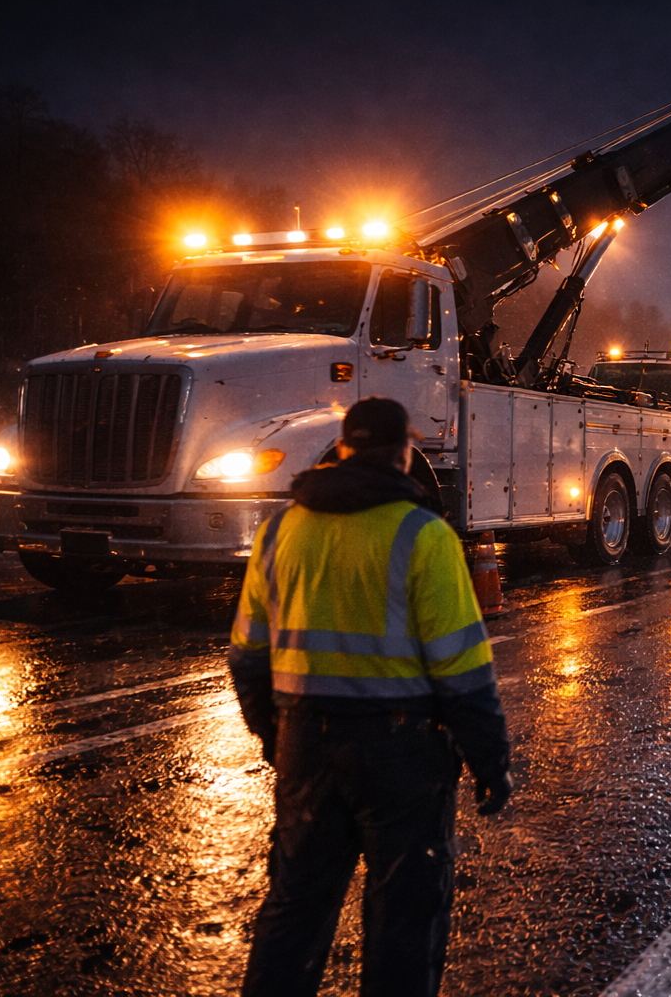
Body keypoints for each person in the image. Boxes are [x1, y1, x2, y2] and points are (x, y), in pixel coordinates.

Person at [229, 396, 513, 997]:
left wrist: (277, 736)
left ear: (344, 448)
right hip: (400, 753)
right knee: (404, 917)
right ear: (404, 453)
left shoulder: (282, 529)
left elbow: (248, 656)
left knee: (295, 908)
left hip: (305, 741)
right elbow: (462, 671)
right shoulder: (423, 534)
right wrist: (489, 762)